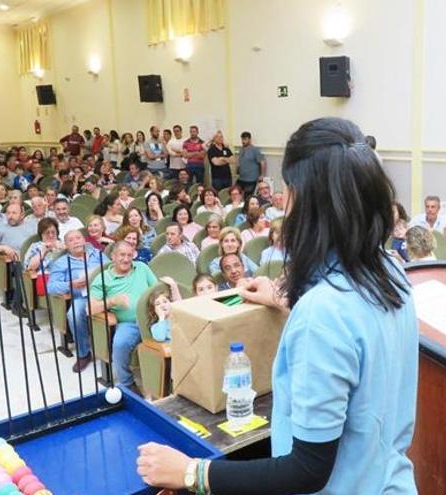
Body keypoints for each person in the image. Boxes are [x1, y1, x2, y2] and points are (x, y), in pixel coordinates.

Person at [136, 117, 418, 495]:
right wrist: (283, 298)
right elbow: (355, 331)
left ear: (305, 200)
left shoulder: (322, 315)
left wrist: (191, 473)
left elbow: (307, 470)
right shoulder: (390, 272)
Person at [88, 241, 158, 389]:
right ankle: (127, 384)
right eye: (122, 255)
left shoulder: (142, 268)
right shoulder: (103, 277)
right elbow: (90, 309)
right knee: (119, 344)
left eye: (129, 255)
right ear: (113, 256)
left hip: (153, 318)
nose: (126, 259)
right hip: (129, 323)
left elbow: (157, 290)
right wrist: (112, 301)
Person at [48, 230, 109, 373]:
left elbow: (112, 269)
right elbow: (51, 287)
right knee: (73, 315)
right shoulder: (61, 263)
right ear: (66, 245)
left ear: (84, 240)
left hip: (105, 293)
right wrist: (71, 284)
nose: (76, 241)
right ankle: (84, 354)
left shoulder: (97, 254)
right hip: (82, 297)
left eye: (78, 238)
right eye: (71, 240)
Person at [0, 203, 36, 314]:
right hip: (13, 262)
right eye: (8, 213)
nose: (10, 216)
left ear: (22, 215)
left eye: (14, 213)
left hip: (33, 257)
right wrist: (3, 247)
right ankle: (17, 305)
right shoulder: (0, 229)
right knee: (22, 268)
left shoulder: (32, 225)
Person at [147, 278, 183, 342]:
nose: (162, 305)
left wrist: (173, 286)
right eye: (158, 304)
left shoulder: (178, 317)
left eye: (165, 301)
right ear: (154, 310)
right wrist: (161, 318)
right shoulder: (155, 326)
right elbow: (160, 338)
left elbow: (180, 305)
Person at [236, 131, 267, 196]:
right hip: (241, 178)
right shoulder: (241, 149)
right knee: (236, 193)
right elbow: (240, 161)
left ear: (249, 139)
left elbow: (262, 162)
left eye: (245, 139)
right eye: (242, 139)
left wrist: (262, 175)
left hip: (251, 179)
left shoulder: (255, 150)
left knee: (248, 197)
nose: (243, 141)